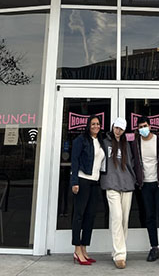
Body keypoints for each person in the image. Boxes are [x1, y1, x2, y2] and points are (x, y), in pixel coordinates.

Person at [132, 115, 159, 266]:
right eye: (140, 127)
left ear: (150, 126)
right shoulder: (135, 143)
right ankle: (154, 247)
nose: (143, 129)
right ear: (137, 129)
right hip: (145, 185)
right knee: (149, 216)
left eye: (145, 126)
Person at [100, 117, 136, 269]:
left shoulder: (127, 144)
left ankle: (117, 251)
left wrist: (134, 179)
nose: (118, 131)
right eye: (116, 127)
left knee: (124, 220)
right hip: (111, 184)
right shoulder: (105, 141)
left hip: (127, 184)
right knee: (116, 217)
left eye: (121, 129)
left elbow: (132, 163)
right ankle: (120, 254)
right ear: (112, 126)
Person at [71, 114, 106, 265]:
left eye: (97, 124)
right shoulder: (81, 140)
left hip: (95, 182)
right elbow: (74, 160)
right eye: (93, 124)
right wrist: (74, 182)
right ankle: (77, 249)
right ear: (88, 125)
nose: (96, 126)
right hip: (83, 180)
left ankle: (84, 249)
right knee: (79, 215)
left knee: (90, 216)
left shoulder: (100, 141)